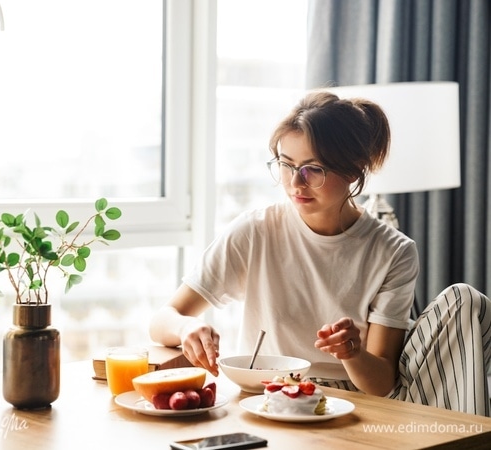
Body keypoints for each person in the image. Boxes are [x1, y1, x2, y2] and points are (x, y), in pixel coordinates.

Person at [149, 91, 491, 415]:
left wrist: (352, 352)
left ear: (354, 169)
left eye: (313, 169)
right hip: (266, 395)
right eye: (286, 164)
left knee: (467, 301)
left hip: (349, 404)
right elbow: (162, 320)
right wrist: (185, 328)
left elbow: (380, 384)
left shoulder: (393, 251)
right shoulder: (255, 231)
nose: (295, 183)